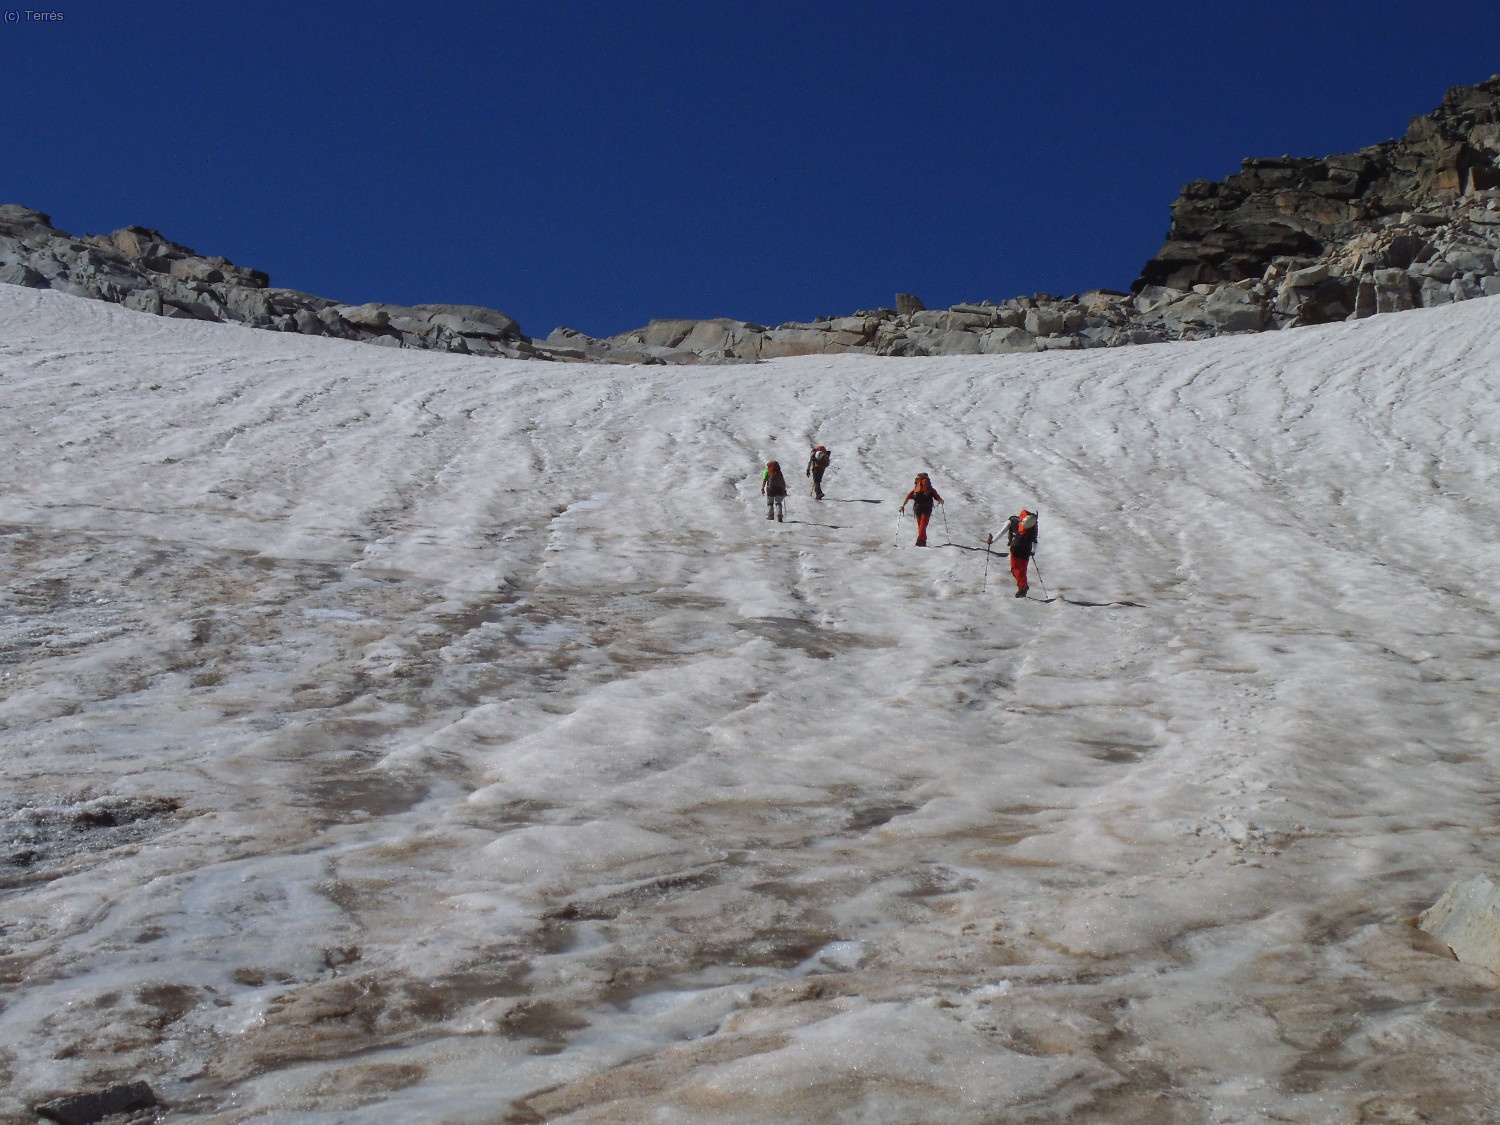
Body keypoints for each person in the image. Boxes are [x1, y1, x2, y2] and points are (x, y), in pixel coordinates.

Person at [898, 472, 943, 546]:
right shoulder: (930, 489)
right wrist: (941, 501)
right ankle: (922, 541)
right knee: (923, 525)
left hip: (917, 508)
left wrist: (902, 506)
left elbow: (908, 497)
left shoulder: (915, 490)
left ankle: (921, 541)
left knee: (920, 525)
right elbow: (938, 498)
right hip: (927, 507)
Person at [1002, 508, 1038, 596]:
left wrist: (991, 541)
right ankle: (1022, 589)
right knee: (1023, 569)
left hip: (1016, 547)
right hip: (1027, 549)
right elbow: (1035, 540)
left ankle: (1022, 586)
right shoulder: (1033, 526)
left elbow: (1001, 532)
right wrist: (1033, 551)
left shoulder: (1012, 520)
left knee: (1015, 568)